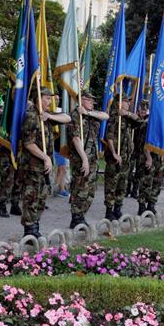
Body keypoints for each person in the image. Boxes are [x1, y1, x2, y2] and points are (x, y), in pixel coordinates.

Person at [21, 88, 70, 239]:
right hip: (32, 165)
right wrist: (46, 157)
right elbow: (28, 143)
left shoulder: (46, 115)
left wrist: (48, 116)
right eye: (47, 98)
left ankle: (35, 226)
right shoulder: (31, 115)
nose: (50, 101)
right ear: (38, 99)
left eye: (51, 98)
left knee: (41, 198)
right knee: (31, 197)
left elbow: (67, 118)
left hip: (43, 166)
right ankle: (29, 231)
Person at [67, 90, 109, 228]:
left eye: (92, 100)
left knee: (90, 189)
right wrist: (84, 159)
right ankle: (76, 217)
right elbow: (75, 138)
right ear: (81, 100)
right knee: (80, 187)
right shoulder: (75, 115)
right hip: (80, 158)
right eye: (89, 100)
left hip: (93, 158)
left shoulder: (92, 115)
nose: (92, 102)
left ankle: (82, 214)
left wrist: (89, 113)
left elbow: (105, 116)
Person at [104, 96, 138, 220]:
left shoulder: (127, 117)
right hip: (115, 158)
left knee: (122, 184)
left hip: (126, 157)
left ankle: (118, 208)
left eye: (128, 101)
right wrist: (114, 153)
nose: (128, 103)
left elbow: (139, 120)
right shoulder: (114, 117)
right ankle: (109, 211)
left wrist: (128, 113)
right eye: (125, 101)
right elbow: (110, 137)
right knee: (111, 184)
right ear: (119, 103)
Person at [135, 100, 164, 215]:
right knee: (145, 182)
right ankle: (142, 206)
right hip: (147, 157)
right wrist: (148, 158)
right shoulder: (147, 124)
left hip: (159, 157)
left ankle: (151, 205)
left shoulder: (163, 124)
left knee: (157, 181)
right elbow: (145, 144)